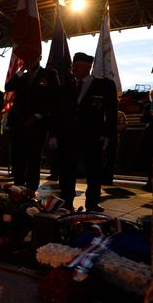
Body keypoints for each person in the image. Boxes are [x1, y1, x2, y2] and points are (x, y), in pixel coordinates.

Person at [50, 52, 118, 212]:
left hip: (93, 136)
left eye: (78, 65)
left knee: (94, 171)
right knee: (67, 170)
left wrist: (108, 135)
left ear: (88, 66)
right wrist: (53, 134)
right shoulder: (66, 87)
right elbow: (57, 113)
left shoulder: (104, 86)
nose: (74, 67)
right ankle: (67, 200)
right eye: (73, 65)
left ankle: (92, 202)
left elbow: (111, 113)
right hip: (68, 136)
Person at [5, 59, 60, 191]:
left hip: (37, 125)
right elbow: (8, 87)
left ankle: (31, 191)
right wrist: (21, 71)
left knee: (34, 159)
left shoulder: (49, 74)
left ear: (39, 57)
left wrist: (37, 116)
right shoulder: (21, 75)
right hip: (18, 124)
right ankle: (17, 190)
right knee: (18, 159)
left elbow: (54, 99)